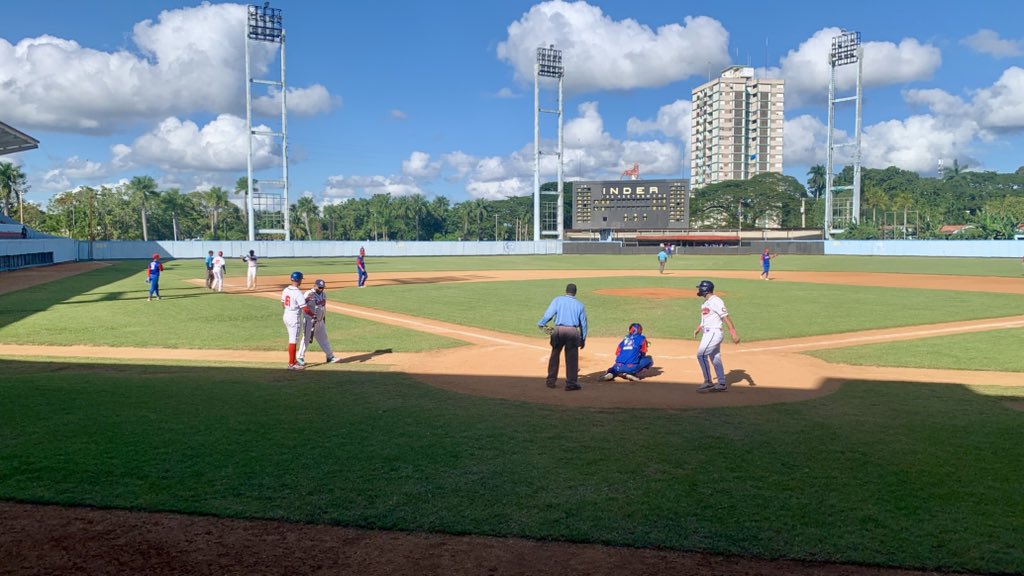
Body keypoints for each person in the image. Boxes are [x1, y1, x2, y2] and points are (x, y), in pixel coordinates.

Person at [537, 282, 588, 391]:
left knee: (555, 354)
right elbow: (583, 324)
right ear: (575, 292)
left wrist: (541, 323)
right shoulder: (580, 305)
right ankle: (571, 383)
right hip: (572, 332)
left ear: (566, 291)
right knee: (572, 358)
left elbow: (548, 314)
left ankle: (551, 381)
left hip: (558, 330)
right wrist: (583, 339)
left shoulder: (558, 300)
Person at [692, 280, 740, 392]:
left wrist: (733, 333)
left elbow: (726, 317)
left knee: (701, 355)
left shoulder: (716, 301)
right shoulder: (706, 302)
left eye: (700, 288)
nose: (698, 290)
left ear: (705, 289)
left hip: (714, 332)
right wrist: (699, 328)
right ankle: (722, 383)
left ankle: (708, 381)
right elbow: (707, 319)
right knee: (715, 357)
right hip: (708, 332)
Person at [297, 279, 338, 365]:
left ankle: (330, 357)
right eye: (319, 287)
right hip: (310, 321)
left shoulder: (323, 294)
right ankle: (300, 357)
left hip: (320, 321)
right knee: (306, 338)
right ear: (315, 286)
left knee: (324, 338)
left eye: (322, 287)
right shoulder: (309, 294)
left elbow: (323, 308)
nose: (321, 289)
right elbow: (302, 305)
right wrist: (310, 313)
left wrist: (323, 319)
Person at [281, 271, 315, 370]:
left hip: (286, 315)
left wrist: (304, 301)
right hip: (294, 318)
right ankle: (292, 364)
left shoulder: (286, 290)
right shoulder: (297, 292)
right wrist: (313, 315)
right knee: (293, 340)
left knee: (292, 339)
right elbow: (305, 309)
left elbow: (283, 304)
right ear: (299, 280)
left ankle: (293, 361)